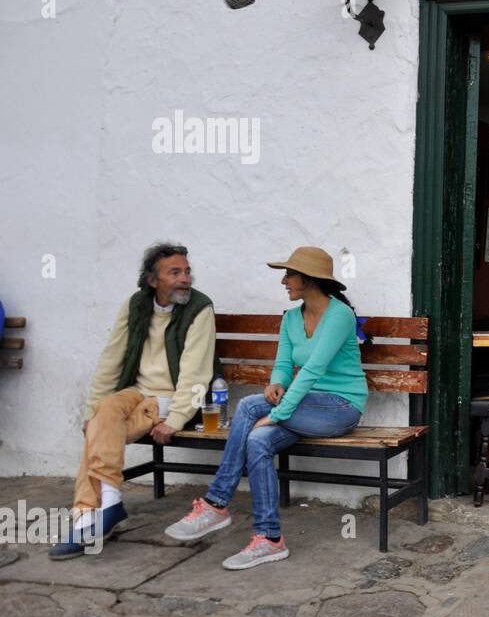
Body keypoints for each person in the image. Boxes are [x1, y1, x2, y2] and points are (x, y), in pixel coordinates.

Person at [164, 246, 368, 570]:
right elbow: (285, 365)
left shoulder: (339, 316)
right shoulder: (290, 318)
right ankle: (269, 538)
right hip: (303, 405)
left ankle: (216, 502)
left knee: (247, 407)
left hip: (339, 407)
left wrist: (275, 414)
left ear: (310, 279)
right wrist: (275, 385)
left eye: (289, 275)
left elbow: (313, 371)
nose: (284, 281)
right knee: (258, 441)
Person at [51, 243, 218, 559]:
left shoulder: (200, 308)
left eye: (187, 271)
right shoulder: (135, 305)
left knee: (101, 428)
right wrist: (91, 411)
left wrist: (176, 419)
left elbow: (196, 373)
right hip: (136, 394)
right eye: (175, 272)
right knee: (103, 413)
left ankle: (89, 515)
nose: (185, 278)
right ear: (153, 280)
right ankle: (109, 503)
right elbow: (110, 361)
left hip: (171, 399)